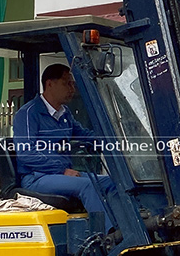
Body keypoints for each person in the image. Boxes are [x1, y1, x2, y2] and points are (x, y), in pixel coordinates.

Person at [12, 64, 112, 219]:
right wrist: (61, 170)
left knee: (113, 183)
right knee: (88, 186)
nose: (72, 88)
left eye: (72, 84)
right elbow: (27, 153)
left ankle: (127, 229)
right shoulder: (28, 114)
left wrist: (113, 142)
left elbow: (84, 135)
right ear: (50, 84)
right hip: (36, 177)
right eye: (67, 83)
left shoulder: (64, 114)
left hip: (62, 174)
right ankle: (109, 234)